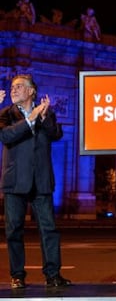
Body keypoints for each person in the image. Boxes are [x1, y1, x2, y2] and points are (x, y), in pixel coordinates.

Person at [0, 74, 71, 289]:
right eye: (12, 87)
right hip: (15, 181)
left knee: (48, 229)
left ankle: (53, 274)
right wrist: (29, 120)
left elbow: (56, 134)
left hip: (41, 181)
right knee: (14, 230)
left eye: (19, 86)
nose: (14, 90)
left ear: (32, 92)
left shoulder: (45, 115)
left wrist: (43, 117)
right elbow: (6, 137)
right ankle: (17, 275)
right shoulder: (5, 115)